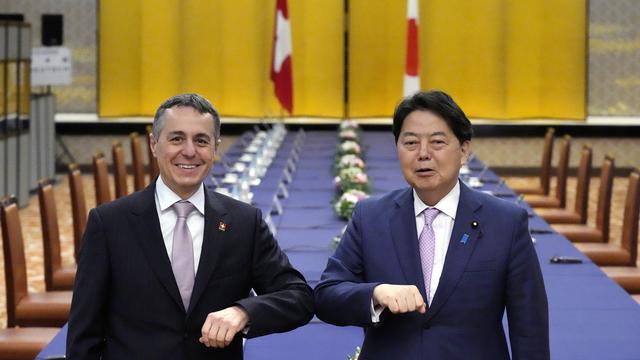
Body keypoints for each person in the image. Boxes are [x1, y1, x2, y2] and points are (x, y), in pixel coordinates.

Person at [67, 93, 314, 359]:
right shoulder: (109, 224)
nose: (189, 151)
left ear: (215, 148)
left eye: (201, 140)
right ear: (153, 144)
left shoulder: (244, 223)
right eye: (176, 139)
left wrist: (244, 311)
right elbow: (84, 337)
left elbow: (299, 297)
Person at [314, 90, 549, 359]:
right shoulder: (371, 217)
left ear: (463, 151)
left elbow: (529, 329)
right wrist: (375, 293)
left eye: (437, 142)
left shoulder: (505, 223)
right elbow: (326, 296)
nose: (423, 154)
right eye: (411, 143)